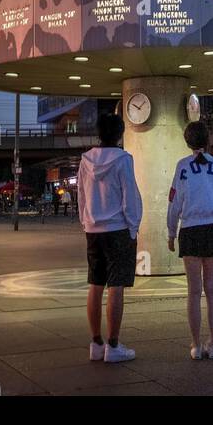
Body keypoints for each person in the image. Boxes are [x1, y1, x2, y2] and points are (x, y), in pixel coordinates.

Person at [77, 111, 142, 364]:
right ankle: (113, 345)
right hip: (118, 230)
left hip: (93, 230)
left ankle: (96, 343)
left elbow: (81, 197)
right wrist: (133, 228)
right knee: (116, 285)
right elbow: (131, 197)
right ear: (120, 133)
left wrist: (86, 222)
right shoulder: (124, 159)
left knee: (95, 283)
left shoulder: (85, 160)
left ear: (98, 133)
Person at [166, 122, 213, 361]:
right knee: (212, 290)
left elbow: (174, 201)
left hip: (191, 229)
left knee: (194, 291)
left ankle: (195, 345)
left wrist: (171, 232)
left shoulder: (182, 167)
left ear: (187, 141)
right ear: (207, 140)